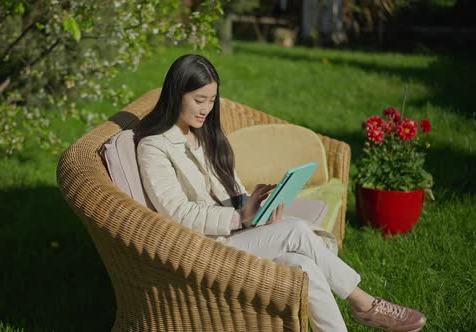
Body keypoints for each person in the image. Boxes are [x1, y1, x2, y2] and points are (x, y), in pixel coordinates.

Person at [135, 54, 426, 332]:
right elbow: (177, 214)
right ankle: (365, 304)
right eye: (199, 100)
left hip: (234, 236)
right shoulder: (154, 147)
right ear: (176, 94)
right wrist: (239, 218)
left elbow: (231, 189)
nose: (206, 109)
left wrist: (255, 207)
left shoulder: (205, 134)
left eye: (211, 100)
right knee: (296, 230)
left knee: (304, 267)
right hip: (203, 250)